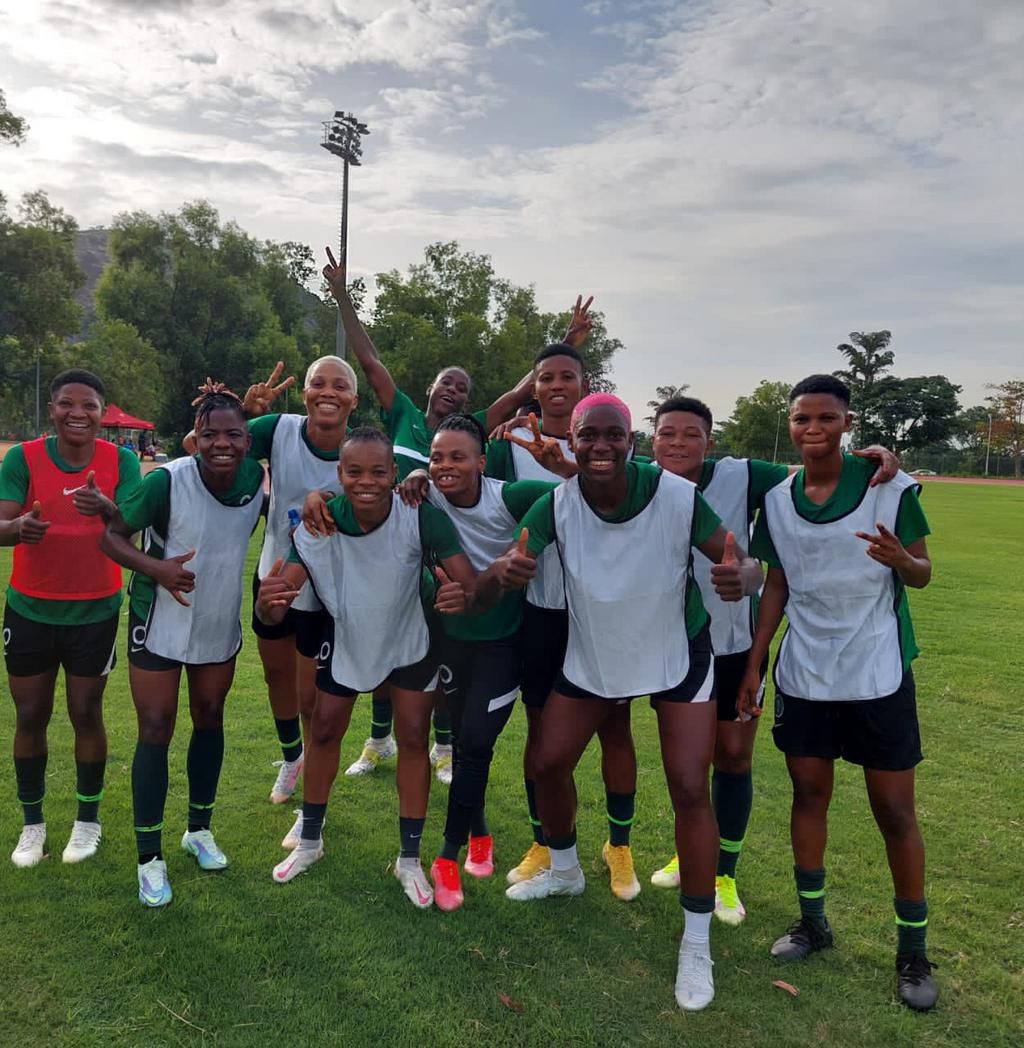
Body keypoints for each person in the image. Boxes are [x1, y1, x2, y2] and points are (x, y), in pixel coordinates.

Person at [495, 393, 763, 1012]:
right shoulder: (557, 504)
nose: (600, 446)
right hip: (598, 652)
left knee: (690, 787)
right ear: (574, 441)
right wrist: (508, 568)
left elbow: (743, 563)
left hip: (675, 649)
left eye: (613, 435)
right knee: (547, 761)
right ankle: (565, 871)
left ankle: (696, 942)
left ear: (631, 441)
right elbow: (511, 557)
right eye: (589, 435)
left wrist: (740, 577)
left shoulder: (674, 495)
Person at [320, 246, 585, 781]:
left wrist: (568, 340)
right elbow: (370, 362)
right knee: (390, 647)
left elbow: (521, 389)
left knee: (431, 655)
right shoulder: (404, 418)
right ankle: (378, 741)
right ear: (431, 391)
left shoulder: (473, 431)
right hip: (387, 553)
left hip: (441, 557)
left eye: (463, 389)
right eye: (448, 385)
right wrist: (343, 295)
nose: (456, 392)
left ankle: (441, 747)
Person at [647, 396, 899, 925]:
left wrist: (872, 457)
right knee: (688, 766)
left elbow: (814, 461)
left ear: (709, 442)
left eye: (690, 434)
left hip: (736, 642)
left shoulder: (742, 475)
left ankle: (725, 875)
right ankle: (689, 851)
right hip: (672, 646)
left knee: (733, 759)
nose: (677, 444)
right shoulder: (642, 478)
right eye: (666, 433)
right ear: (652, 440)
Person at [737, 373, 938, 1011]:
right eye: (802, 419)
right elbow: (776, 584)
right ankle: (813, 922)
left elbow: (925, 572)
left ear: (847, 423)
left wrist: (901, 562)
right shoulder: (777, 499)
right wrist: (755, 661)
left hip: (877, 671)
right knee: (809, 795)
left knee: (894, 812)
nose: (814, 429)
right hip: (807, 672)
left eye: (827, 418)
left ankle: (912, 951)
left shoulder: (889, 487)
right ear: (790, 424)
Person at [256, 427, 482, 909]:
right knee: (323, 730)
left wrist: (460, 595)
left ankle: (409, 859)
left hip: (409, 642)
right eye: (354, 471)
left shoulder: (421, 516)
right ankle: (311, 841)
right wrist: (268, 604)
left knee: (415, 740)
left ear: (394, 473)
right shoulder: (318, 524)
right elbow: (280, 599)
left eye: (378, 471)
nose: (366, 481)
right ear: (338, 475)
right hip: (349, 640)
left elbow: (468, 585)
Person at [485, 343, 643, 903]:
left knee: (614, 730)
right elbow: (475, 493)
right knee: (542, 732)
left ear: (583, 385)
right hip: (540, 610)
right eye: (545, 376)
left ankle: (618, 845)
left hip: (598, 613)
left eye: (567, 376)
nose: (556, 385)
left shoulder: (606, 444)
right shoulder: (507, 446)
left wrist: (568, 469)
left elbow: (621, 506)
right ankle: (546, 845)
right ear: (534, 384)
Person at [102, 381, 265, 907]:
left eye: (234, 434)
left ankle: (199, 830)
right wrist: (159, 569)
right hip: (160, 619)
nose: (223, 443)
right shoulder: (168, 481)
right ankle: (149, 858)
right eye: (211, 433)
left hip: (218, 620)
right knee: (155, 727)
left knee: (210, 718)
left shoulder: (257, 484)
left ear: (247, 439)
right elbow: (112, 536)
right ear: (196, 435)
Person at [394, 413, 556, 911]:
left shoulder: (508, 496)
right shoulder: (426, 495)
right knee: (463, 741)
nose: (445, 466)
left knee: (478, 744)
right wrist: (415, 477)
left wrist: (564, 469)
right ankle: (479, 831)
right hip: (448, 641)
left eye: (458, 457)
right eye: (437, 457)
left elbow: (571, 497)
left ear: (482, 462)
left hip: (503, 642)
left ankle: (446, 856)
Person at [0, 368, 141, 867]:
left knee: (86, 712)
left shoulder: (121, 460)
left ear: (103, 414)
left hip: (94, 611)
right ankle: (32, 824)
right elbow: (1, 523)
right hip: (31, 609)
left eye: (88, 406)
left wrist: (106, 506)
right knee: (31, 714)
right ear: (52, 409)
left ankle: (87, 821)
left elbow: (131, 529)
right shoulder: (23, 458)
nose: (77, 413)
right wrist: (17, 527)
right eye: (66, 403)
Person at [241, 358, 356, 822]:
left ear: (354, 398)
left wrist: (328, 499)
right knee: (275, 678)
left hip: (322, 592)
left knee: (312, 699)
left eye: (340, 385)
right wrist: (242, 415)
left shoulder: (359, 450)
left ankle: (314, 795)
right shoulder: (279, 429)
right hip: (272, 576)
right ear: (304, 392)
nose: (327, 392)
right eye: (317, 383)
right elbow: (211, 449)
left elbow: (387, 487)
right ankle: (292, 761)